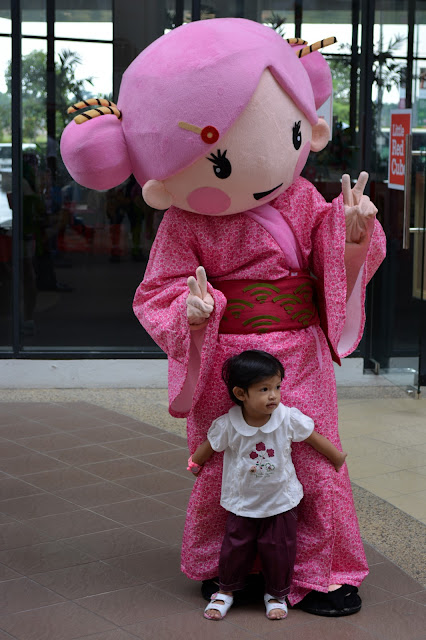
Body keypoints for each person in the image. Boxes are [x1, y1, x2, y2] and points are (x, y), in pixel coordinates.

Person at [60, 18, 386, 614]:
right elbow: (156, 290)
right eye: (217, 164)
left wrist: (354, 235)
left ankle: (321, 570)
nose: (267, 163)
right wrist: (192, 312)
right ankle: (227, 565)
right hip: (223, 358)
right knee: (228, 460)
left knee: (309, 456)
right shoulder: (183, 221)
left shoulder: (304, 197)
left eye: (291, 130)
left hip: (300, 356)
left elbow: (328, 254)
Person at [188, 350, 347, 621]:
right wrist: (196, 462)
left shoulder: (287, 418)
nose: (274, 395)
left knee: (280, 548)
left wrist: (336, 457)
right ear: (241, 393)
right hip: (242, 501)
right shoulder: (230, 424)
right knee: (234, 547)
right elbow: (210, 446)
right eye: (264, 389)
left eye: (277, 387)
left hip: (281, 500)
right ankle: (225, 591)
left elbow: (312, 438)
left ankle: (276, 594)